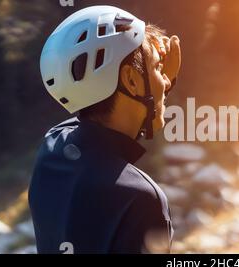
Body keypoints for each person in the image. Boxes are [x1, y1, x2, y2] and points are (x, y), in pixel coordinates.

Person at [28, 5, 181, 254]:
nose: (164, 80)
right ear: (131, 80)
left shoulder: (52, 146)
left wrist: (154, 87)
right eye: (157, 68)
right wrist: (154, 94)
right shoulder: (141, 199)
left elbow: (109, 130)